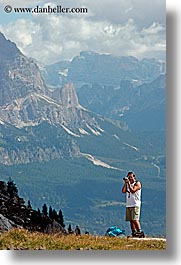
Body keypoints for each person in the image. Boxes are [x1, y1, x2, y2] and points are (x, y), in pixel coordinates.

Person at [122, 171, 145, 237]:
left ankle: (139, 231)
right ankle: (134, 232)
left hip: (135, 204)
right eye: (129, 177)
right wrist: (125, 184)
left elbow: (132, 191)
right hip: (129, 204)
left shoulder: (137, 183)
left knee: (135, 219)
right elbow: (123, 191)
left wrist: (128, 184)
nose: (130, 178)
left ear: (134, 177)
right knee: (131, 220)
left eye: (131, 177)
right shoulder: (128, 184)